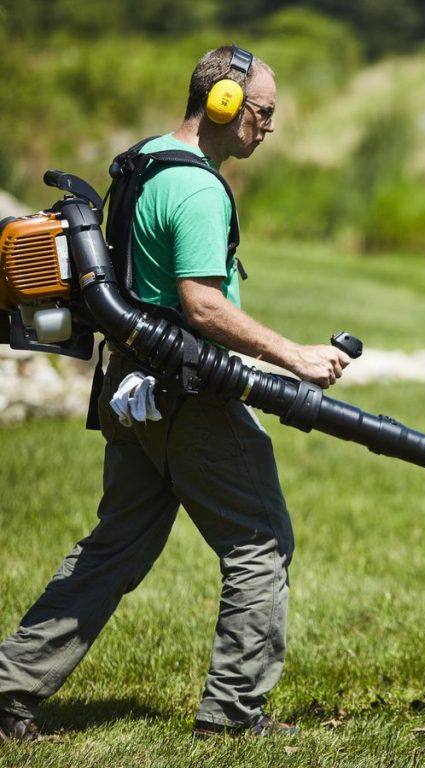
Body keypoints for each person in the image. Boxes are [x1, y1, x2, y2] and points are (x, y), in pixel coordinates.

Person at [0, 45, 350, 741]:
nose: (267, 127)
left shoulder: (143, 161)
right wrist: (295, 356)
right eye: (263, 112)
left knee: (115, 548)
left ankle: (9, 688)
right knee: (259, 542)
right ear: (224, 103)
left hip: (129, 391)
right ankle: (233, 715)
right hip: (186, 394)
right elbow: (202, 306)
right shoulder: (196, 188)